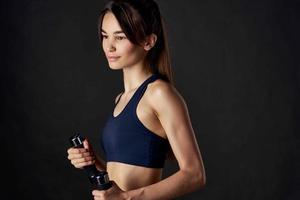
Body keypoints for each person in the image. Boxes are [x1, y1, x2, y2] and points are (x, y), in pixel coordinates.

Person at [67, 0, 206, 199]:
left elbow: (195, 174)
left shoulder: (159, 94)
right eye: (105, 36)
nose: (109, 46)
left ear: (148, 41)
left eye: (120, 37)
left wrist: (126, 198)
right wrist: (93, 162)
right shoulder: (121, 99)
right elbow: (122, 181)